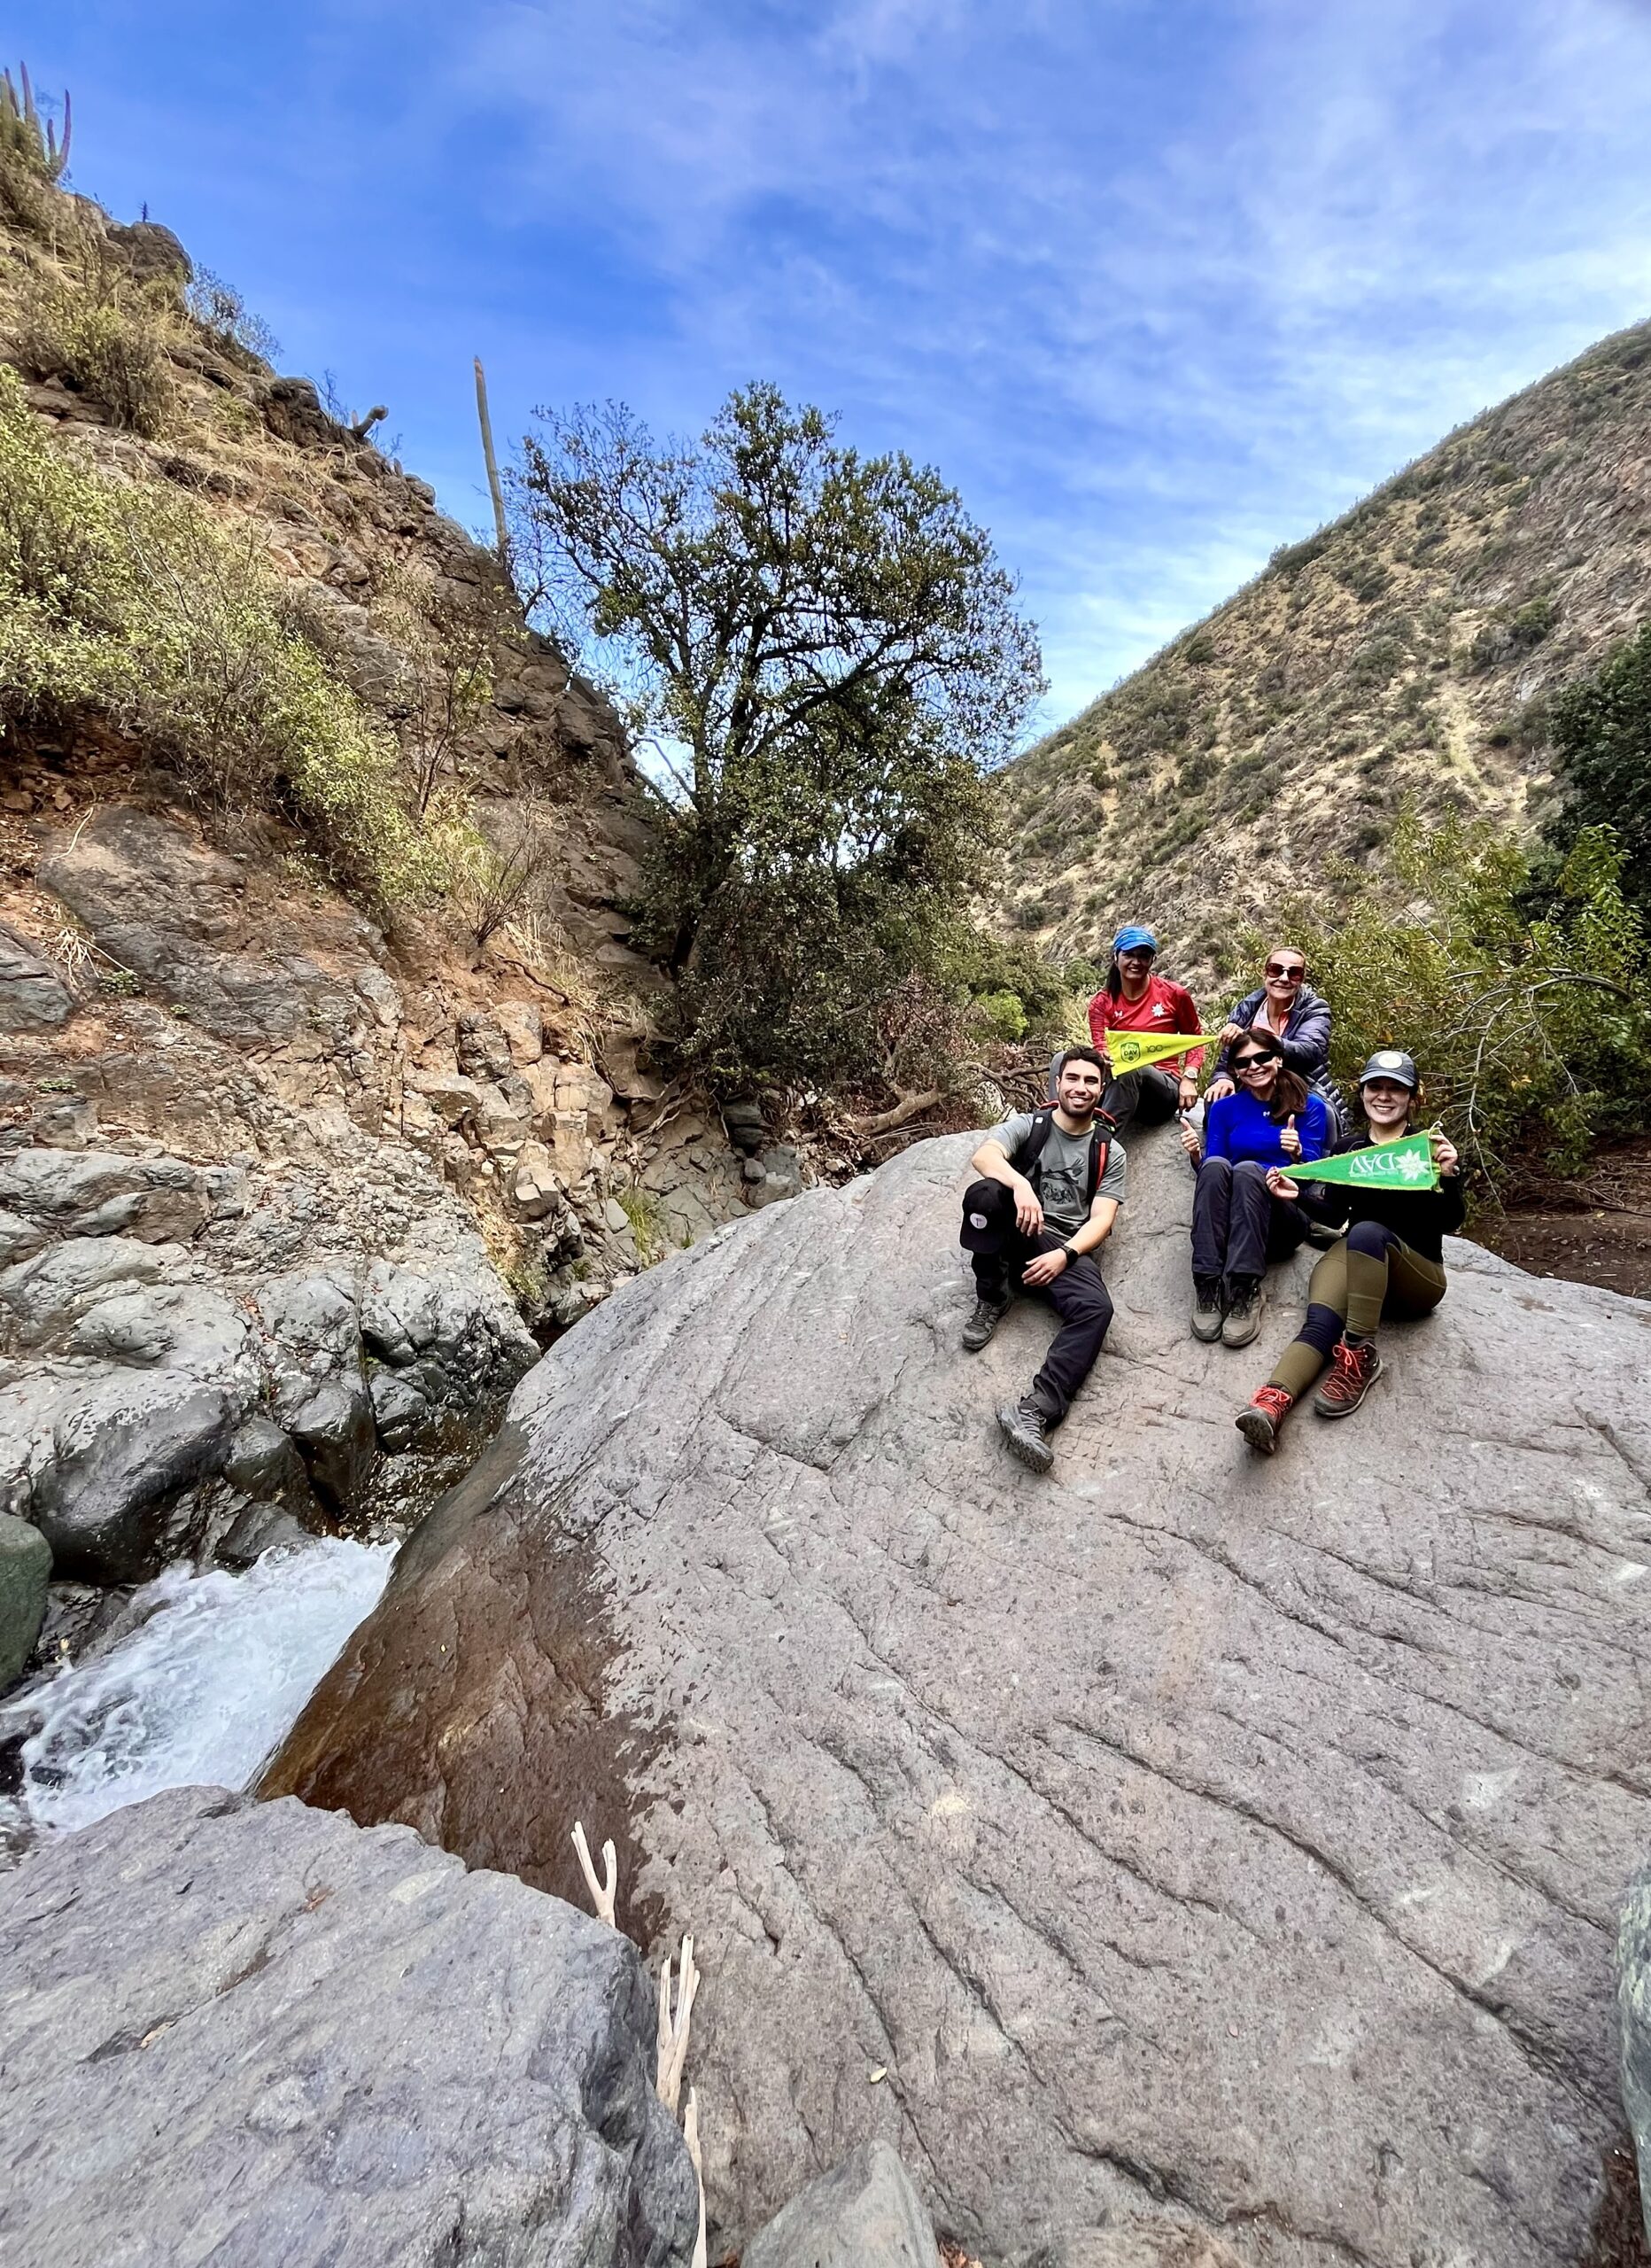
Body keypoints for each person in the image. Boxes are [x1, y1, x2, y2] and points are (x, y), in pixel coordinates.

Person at [1235, 1049, 1462, 1454]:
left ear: (1414, 1098)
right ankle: (1270, 1404)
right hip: (1359, 1260)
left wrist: (1449, 1178)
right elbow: (1335, 1212)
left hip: (1417, 1275)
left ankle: (1360, 1356)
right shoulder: (1350, 1147)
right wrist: (1295, 1197)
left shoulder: (1428, 1147)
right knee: (1320, 1322)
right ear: (1362, 1093)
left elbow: (1450, 1223)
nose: (1385, 1096)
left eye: (1397, 1089)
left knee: (1369, 1232)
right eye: (1376, 1086)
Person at [959, 1045, 1127, 1475]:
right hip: (1016, 1226)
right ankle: (992, 1296)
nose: (1081, 1088)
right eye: (1073, 1078)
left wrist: (1065, 1254)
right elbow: (984, 1157)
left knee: (1097, 1308)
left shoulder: (1110, 1150)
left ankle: (1034, 1411)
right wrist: (1020, 1186)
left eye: (1091, 1081)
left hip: (1058, 1247)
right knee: (985, 1195)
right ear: (1058, 1082)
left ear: (1101, 1089)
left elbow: (1102, 1219)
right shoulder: (1030, 1125)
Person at [1181, 1027, 1330, 1347]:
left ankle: (1244, 1287)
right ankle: (1207, 1282)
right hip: (1235, 1222)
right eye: (1243, 1062)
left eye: (1262, 1058)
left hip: (1282, 1219)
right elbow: (1216, 1167)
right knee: (1217, 1164)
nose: (1254, 1067)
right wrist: (1197, 1156)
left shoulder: (1309, 1106)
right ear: (1234, 1070)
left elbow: (1310, 1178)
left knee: (1249, 1170)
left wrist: (1298, 1154)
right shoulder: (1224, 1109)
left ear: (1278, 1059)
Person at [1203, 944, 1347, 1144]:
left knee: (1326, 1115)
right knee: (1216, 1098)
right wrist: (1223, 1078)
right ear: (1266, 973)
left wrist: (1257, 1039)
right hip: (1251, 1082)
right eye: (1276, 970)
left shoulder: (1314, 1009)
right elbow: (1226, 1061)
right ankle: (1217, 1160)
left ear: (1302, 978)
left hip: (1299, 1084)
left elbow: (1308, 1051)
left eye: (1294, 973)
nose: (1284, 978)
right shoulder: (1247, 1010)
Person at [1085, 925, 1204, 1136]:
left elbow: (1195, 1037)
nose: (1136, 962)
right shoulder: (1102, 1003)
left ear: (1152, 960)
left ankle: (1099, 1146)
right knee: (1062, 1060)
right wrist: (1103, 1057)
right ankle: (1056, 1126)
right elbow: (1101, 1044)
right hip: (1118, 1086)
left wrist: (1189, 1078)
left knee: (1131, 1068)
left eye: (1144, 956)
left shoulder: (1174, 994)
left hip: (1162, 1088)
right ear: (1116, 957)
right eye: (1129, 955)